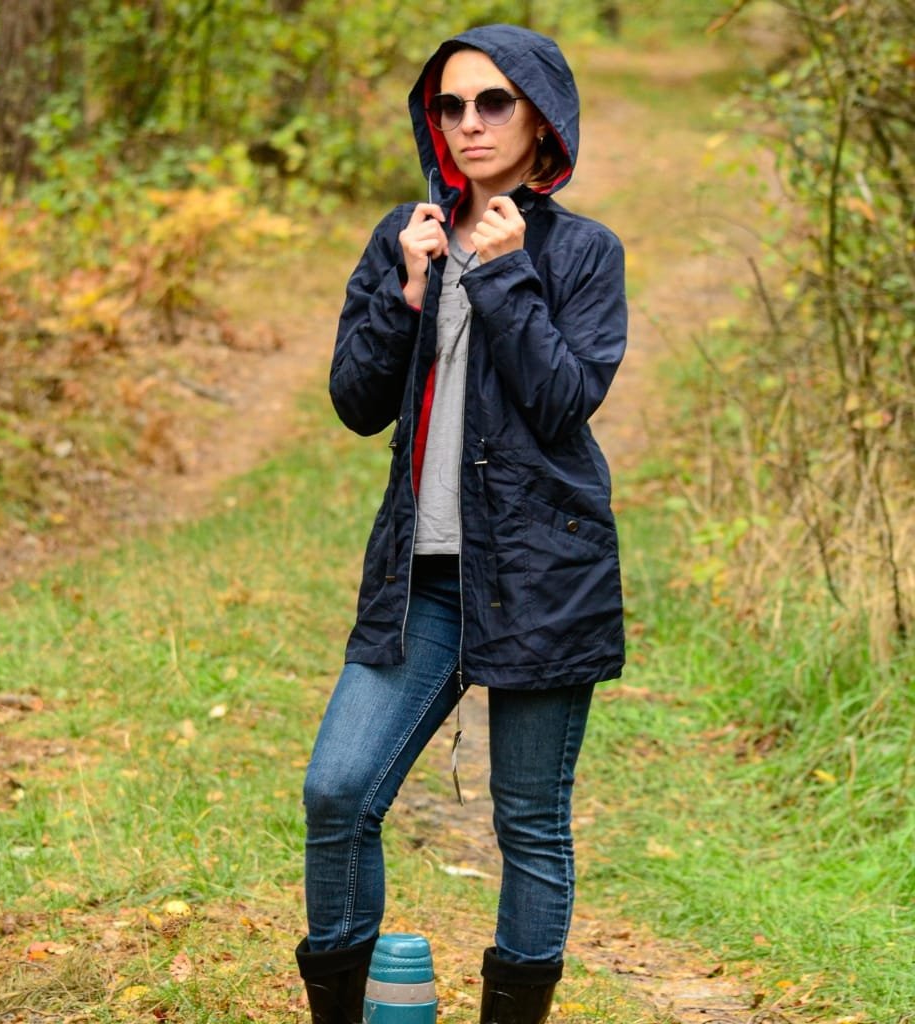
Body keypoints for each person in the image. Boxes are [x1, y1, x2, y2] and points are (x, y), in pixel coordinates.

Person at [295, 23, 627, 1024]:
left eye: (493, 103)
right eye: (450, 105)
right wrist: (404, 291)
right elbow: (356, 403)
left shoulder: (580, 252)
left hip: (541, 574)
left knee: (528, 823)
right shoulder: (408, 234)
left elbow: (564, 400)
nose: (470, 122)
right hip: (423, 581)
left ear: (540, 118)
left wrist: (505, 272)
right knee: (336, 791)